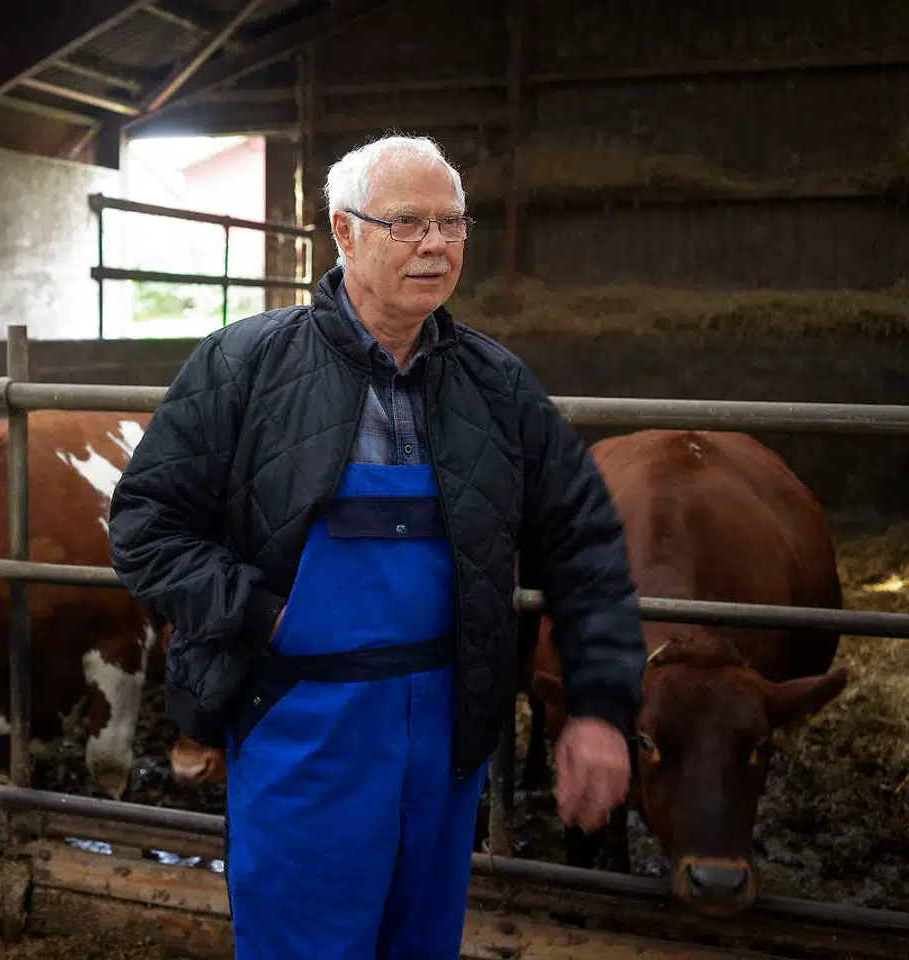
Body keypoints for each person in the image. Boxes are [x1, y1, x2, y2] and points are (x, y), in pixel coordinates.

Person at [107, 134, 645, 959]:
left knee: (420, 945)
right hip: (300, 725)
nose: (435, 243)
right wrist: (259, 612)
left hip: (447, 733)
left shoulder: (497, 387)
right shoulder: (243, 366)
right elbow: (144, 525)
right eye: (406, 223)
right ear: (343, 232)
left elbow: (583, 542)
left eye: (451, 223)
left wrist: (602, 708)